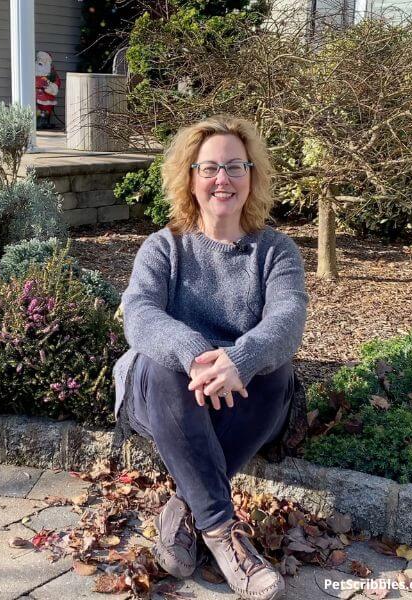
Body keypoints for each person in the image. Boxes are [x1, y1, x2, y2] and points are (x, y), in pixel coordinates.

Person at [113, 115, 308, 600]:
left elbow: (288, 319)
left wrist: (240, 359)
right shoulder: (164, 247)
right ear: (191, 178)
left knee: (274, 367)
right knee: (164, 363)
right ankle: (223, 534)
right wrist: (196, 354)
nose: (223, 179)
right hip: (161, 394)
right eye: (210, 168)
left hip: (238, 393)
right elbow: (138, 315)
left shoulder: (276, 252)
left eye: (235, 167)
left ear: (252, 176)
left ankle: (184, 508)